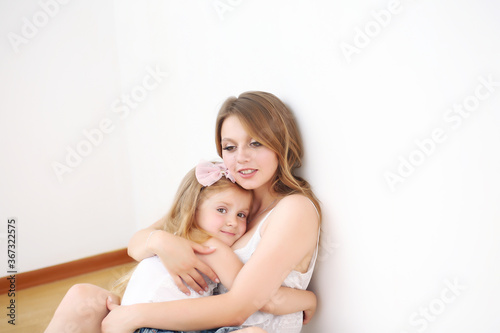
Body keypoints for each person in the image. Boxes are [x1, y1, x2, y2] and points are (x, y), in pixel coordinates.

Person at [101, 91, 322, 333]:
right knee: (82, 298)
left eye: (256, 143)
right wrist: (163, 241)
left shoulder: (293, 210)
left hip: (241, 327)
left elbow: (239, 308)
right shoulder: (226, 194)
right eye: (229, 147)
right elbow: (136, 244)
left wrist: (134, 316)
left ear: (281, 143)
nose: (241, 158)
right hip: (199, 325)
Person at [45, 160, 316, 333]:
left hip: (158, 327)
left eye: (242, 215)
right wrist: (161, 241)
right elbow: (135, 244)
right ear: (194, 208)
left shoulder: (214, 248)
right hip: (130, 320)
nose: (233, 222)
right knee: (80, 293)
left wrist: (310, 298)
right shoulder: (179, 233)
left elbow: (258, 298)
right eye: (222, 210)